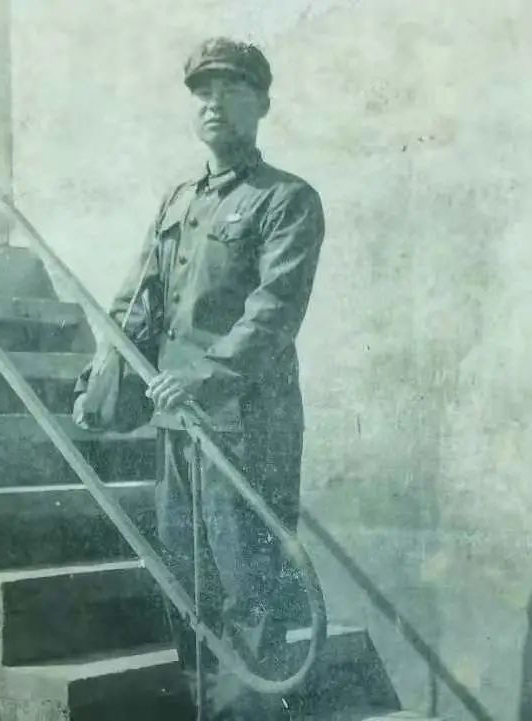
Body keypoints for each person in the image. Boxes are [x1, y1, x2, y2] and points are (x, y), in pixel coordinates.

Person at [106, 37, 325, 720]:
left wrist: (202, 378)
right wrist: (104, 376)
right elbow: (137, 300)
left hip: (246, 426)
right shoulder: (177, 200)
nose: (214, 104)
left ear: (263, 104)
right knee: (184, 582)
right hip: (179, 425)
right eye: (203, 92)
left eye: (232, 90)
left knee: (248, 591)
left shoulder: (286, 200)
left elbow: (273, 313)